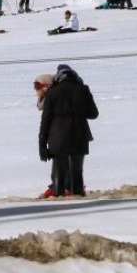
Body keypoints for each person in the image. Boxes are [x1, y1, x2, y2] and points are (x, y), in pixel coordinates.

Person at [39, 64, 98, 197]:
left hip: (57, 137)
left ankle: (58, 197)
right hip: (79, 136)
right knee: (77, 171)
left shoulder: (52, 92)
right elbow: (94, 114)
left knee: (59, 171)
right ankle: (77, 196)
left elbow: (46, 120)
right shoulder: (83, 89)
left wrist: (42, 145)